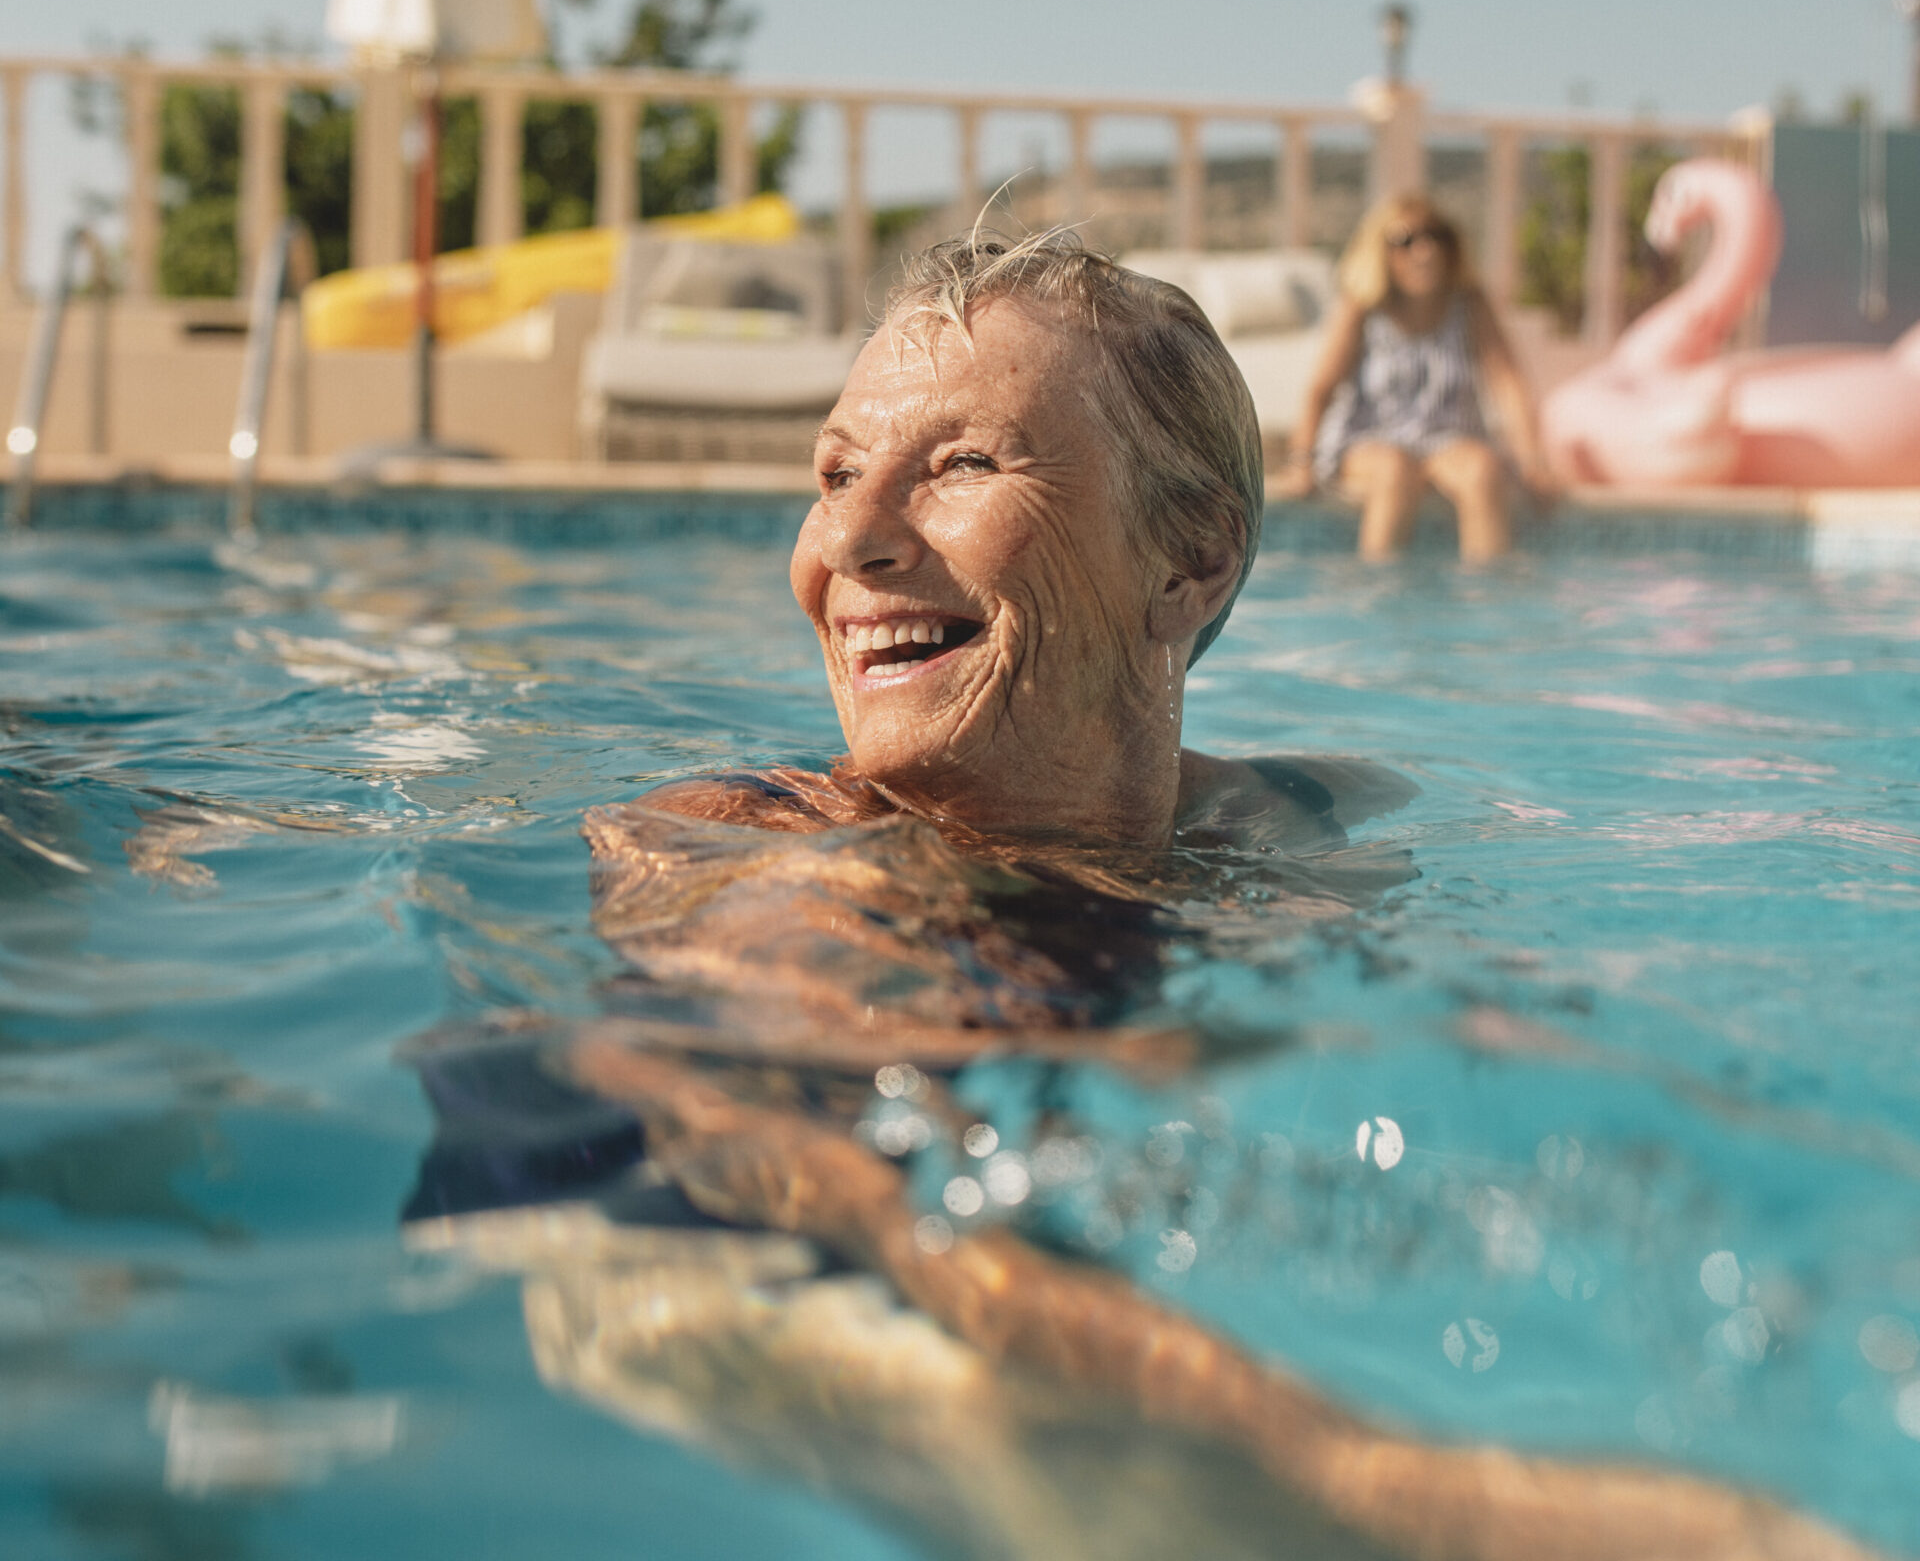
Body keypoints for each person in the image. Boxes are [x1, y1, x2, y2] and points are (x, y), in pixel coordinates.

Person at [419, 231, 1860, 1561]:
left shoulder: (1289, 826)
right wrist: (1393, 1484)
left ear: (1193, 559)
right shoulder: (753, 840)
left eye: (962, 463)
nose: (847, 543)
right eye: (833, 471)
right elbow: (776, 1162)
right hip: (661, 1251)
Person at [1272, 194, 1555, 561]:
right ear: (1381, 252)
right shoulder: (1362, 306)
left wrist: (1533, 462)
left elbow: (1507, 384)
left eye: (1436, 236)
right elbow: (1320, 391)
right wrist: (1300, 464)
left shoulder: (1469, 304)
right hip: (1368, 442)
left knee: (1483, 471)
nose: (1423, 251)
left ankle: (1488, 604)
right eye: (1405, 241)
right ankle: (1378, 595)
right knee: (1395, 469)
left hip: (1449, 439)